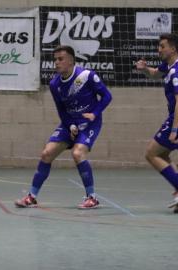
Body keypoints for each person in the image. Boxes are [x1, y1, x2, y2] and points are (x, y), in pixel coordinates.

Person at [15, 45, 112, 209]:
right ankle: (32, 197)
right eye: (55, 60)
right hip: (70, 123)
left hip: (90, 123)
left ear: (71, 60)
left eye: (61, 59)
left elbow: (107, 96)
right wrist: (71, 125)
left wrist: (94, 113)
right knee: (46, 153)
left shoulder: (86, 76)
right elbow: (61, 111)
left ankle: (92, 197)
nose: (56, 63)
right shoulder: (54, 84)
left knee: (78, 153)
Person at [136, 33, 178, 213]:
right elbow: (156, 74)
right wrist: (145, 69)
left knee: (151, 153)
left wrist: (174, 129)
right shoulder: (177, 62)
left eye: (162, 46)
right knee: (162, 155)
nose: (159, 49)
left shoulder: (175, 72)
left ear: (173, 49)